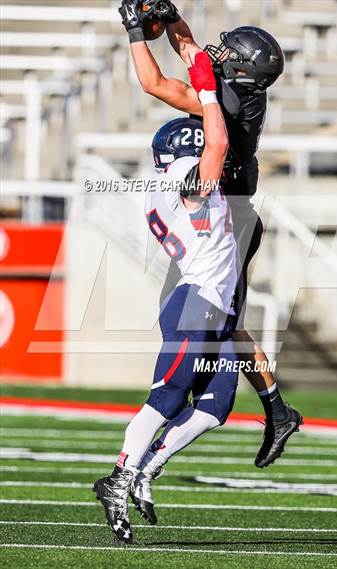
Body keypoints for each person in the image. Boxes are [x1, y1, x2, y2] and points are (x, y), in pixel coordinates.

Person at [118, 0, 303, 472]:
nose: (217, 54)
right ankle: (274, 410)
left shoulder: (230, 102)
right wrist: (170, 16)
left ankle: (272, 411)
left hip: (229, 227)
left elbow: (156, 83)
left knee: (217, 323)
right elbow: (194, 54)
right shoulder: (237, 90)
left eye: (228, 52)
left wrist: (137, 31)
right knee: (210, 323)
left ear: (241, 67)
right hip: (217, 221)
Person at [94, 50, 239, 543]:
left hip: (207, 304)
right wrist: (206, 93)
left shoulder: (161, 185)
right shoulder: (185, 179)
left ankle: (149, 464)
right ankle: (119, 476)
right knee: (168, 396)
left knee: (217, 403)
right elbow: (216, 143)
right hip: (197, 301)